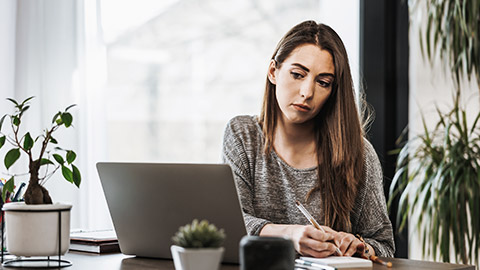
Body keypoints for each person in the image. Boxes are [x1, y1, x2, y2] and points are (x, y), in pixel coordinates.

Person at [221, 20, 395, 258]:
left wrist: (359, 245)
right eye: (297, 74)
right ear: (273, 72)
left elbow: (384, 246)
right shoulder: (242, 134)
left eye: (323, 83)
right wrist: (290, 235)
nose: (307, 92)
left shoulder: (358, 152)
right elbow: (233, 225)